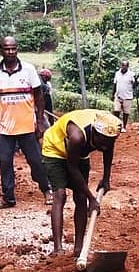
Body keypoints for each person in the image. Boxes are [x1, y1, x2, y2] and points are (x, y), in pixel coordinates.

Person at [0, 36, 52, 209]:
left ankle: (47, 190)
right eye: (7, 49)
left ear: (17, 49)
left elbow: (39, 95)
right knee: (5, 162)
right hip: (5, 128)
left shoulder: (28, 69)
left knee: (36, 161)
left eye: (13, 48)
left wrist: (40, 121)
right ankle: (8, 198)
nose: (10, 52)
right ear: (1, 51)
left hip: (27, 125)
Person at [41, 110, 119, 256]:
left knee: (80, 198)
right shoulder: (77, 136)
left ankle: (79, 250)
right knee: (60, 194)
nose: (104, 147)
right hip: (55, 150)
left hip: (79, 153)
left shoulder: (108, 131)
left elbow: (108, 150)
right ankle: (58, 249)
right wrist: (92, 198)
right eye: (102, 143)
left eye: (110, 142)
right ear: (94, 133)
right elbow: (72, 167)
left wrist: (106, 178)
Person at [112, 60, 135, 132]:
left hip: (127, 96)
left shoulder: (131, 74)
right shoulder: (117, 73)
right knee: (116, 111)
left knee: (126, 113)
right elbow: (115, 84)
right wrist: (113, 94)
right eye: (122, 65)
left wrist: (135, 81)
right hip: (118, 96)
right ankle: (117, 126)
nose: (124, 67)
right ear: (121, 66)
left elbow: (135, 85)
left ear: (128, 66)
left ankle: (124, 127)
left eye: (125, 66)